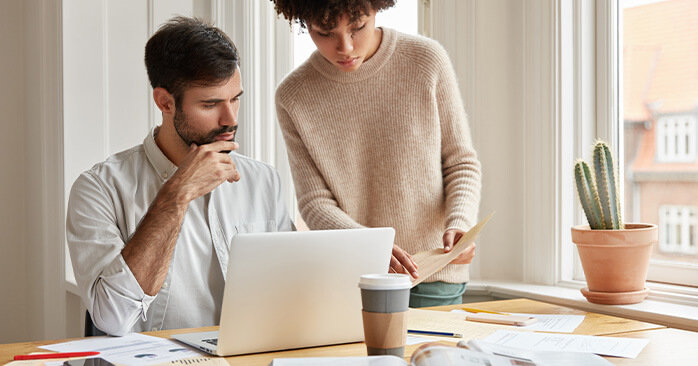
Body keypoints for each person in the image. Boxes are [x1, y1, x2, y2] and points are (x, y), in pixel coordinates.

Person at [66, 16, 293, 336]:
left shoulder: (264, 182)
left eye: (235, 99)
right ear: (165, 102)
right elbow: (112, 318)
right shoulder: (99, 190)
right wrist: (177, 193)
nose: (230, 118)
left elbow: (293, 294)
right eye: (211, 103)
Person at [272, 0, 481, 307]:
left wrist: (461, 222)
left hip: (434, 273)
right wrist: (372, 248)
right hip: (355, 278)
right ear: (304, 23)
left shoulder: (426, 60)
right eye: (325, 33)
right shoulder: (293, 96)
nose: (345, 47)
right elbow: (314, 202)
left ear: (376, 11)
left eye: (358, 27)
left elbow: (460, 162)